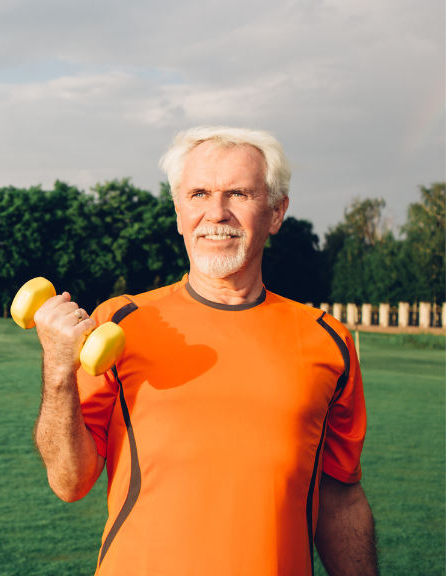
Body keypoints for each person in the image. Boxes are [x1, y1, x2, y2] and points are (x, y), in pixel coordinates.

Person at [32, 126, 378, 575]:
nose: (217, 213)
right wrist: (59, 369)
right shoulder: (119, 323)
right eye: (198, 194)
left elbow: (341, 498)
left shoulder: (328, 340)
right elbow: (69, 481)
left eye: (239, 194)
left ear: (276, 213)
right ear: (178, 213)